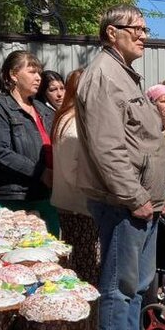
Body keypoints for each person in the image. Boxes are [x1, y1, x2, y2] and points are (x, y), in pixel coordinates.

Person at [75, 5, 165, 330]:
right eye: (137, 29)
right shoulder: (103, 75)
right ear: (112, 32)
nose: (144, 36)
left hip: (143, 201)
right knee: (119, 285)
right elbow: (107, 147)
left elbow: (140, 141)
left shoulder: (124, 75)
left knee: (138, 284)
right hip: (124, 202)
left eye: (146, 29)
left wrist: (153, 196)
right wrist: (134, 196)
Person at [0, 49, 59, 233]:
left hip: (45, 195)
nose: (38, 77)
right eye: (32, 72)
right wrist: (40, 172)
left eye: (39, 72)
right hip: (13, 199)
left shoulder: (44, 110)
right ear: (13, 75)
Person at [50, 69, 100, 284]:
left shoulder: (76, 118)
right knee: (84, 267)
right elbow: (73, 172)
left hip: (79, 206)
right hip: (78, 207)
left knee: (83, 263)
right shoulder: (73, 124)